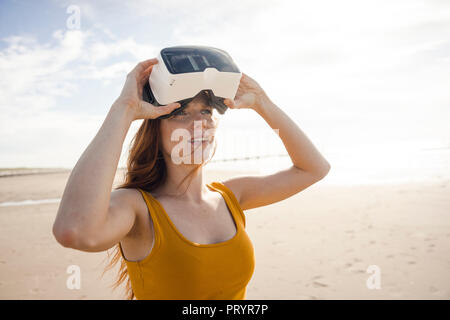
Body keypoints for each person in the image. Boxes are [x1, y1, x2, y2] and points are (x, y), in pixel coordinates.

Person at [52, 58, 331, 300]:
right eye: (182, 113)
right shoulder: (138, 207)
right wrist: (124, 109)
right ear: (155, 133)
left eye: (206, 111)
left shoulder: (230, 196)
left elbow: (314, 168)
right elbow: (75, 231)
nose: (200, 122)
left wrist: (263, 103)